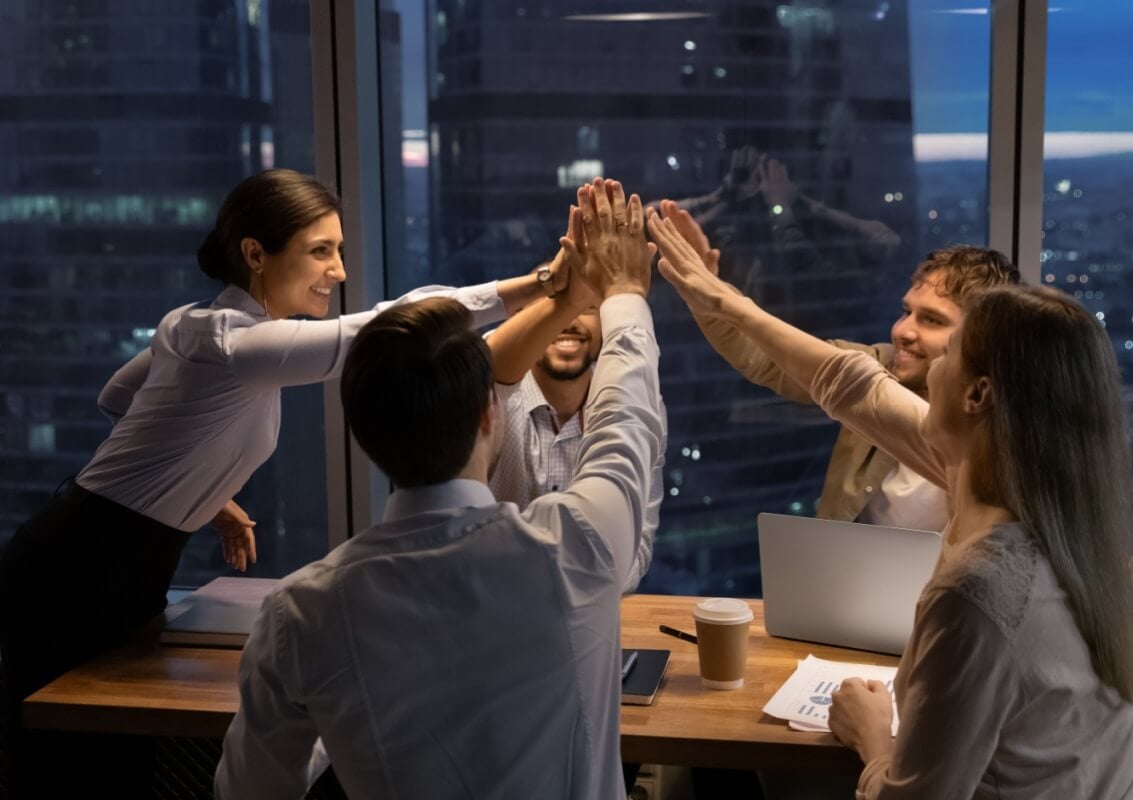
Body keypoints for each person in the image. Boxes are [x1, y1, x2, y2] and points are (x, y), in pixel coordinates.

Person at [0, 168, 556, 795]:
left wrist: (206, 494)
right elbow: (389, 325)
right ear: (255, 254)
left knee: (112, 766)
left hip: (119, 560)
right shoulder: (232, 343)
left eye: (338, 249)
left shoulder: (195, 330)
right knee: (63, 771)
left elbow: (118, 397)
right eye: (322, 250)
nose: (339, 270)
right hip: (74, 566)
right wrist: (544, 284)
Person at [648, 208, 1133, 798]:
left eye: (951, 343)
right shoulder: (1058, 513)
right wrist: (717, 295)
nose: (902, 350)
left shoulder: (980, 591)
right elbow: (848, 383)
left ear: (978, 394)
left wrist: (873, 737)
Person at [213, 178, 663, 799]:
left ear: (364, 437)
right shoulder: (577, 546)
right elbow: (627, 416)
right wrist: (625, 293)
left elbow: (248, 793)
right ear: (490, 414)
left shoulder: (301, 616)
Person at [660, 199, 1019, 533]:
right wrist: (701, 290)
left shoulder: (1012, 437)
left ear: (981, 339)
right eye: (906, 312)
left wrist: (719, 298)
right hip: (850, 589)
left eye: (932, 320)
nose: (903, 331)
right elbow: (763, 355)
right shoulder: (882, 364)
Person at [486, 202, 666, 593]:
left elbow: (637, 548)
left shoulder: (631, 399)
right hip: (498, 614)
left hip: (591, 623)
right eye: (554, 309)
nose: (570, 320)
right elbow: (484, 367)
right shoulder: (492, 402)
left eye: (588, 308)